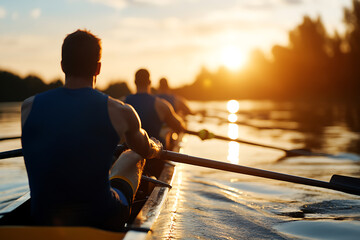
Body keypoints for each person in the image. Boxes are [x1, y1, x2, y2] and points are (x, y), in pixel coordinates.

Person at [21, 30, 162, 230]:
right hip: (101, 218)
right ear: (98, 68)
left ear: (62, 66)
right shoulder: (120, 111)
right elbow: (145, 149)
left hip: (42, 217)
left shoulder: (28, 106)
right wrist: (157, 147)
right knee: (134, 155)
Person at [125, 69, 185, 175]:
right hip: (154, 158)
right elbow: (179, 127)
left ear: (134, 82)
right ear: (150, 82)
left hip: (127, 157)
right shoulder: (161, 105)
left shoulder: (122, 103)